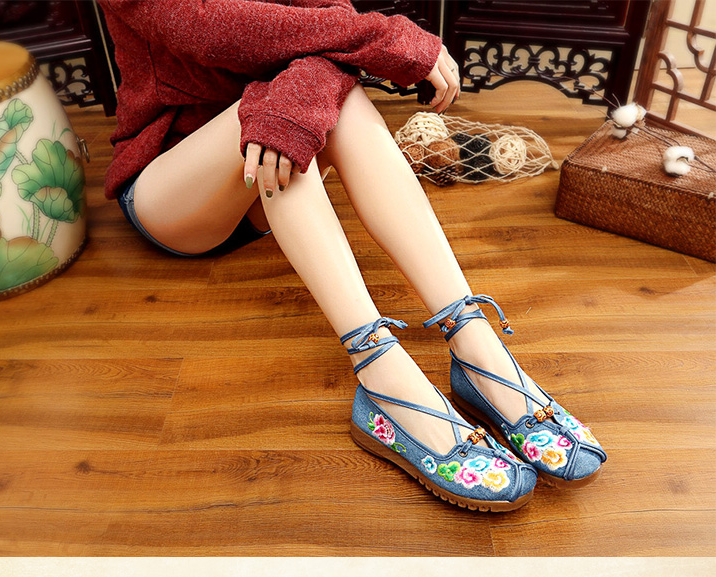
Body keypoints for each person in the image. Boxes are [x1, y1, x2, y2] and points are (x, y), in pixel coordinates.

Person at [98, 0, 606, 512]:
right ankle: (381, 372)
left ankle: (474, 343)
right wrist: (388, 41)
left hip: (270, 175)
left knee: (314, 100)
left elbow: (328, 18)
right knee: (279, 106)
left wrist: (302, 89)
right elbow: (211, 32)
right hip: (176, 189)